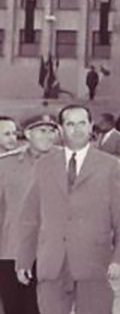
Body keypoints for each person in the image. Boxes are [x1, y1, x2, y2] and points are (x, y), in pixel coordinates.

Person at [15, 104, 120, 314]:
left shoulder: (110, 165)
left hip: (94, 263)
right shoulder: (43, 165)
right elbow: (29, 217)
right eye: (70, 124)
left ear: (91, 127)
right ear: (61, 129)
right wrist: (24, 257)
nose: (77, 129)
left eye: (82, 123)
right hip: (52, 263)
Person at [0, 113, 58, 314]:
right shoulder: (6, 165)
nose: (48, 136)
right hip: (12, 251)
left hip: (52, 253)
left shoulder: (66, 162)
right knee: (15, 308)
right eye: (42, 130)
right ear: (27, 133)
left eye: (52, 131)